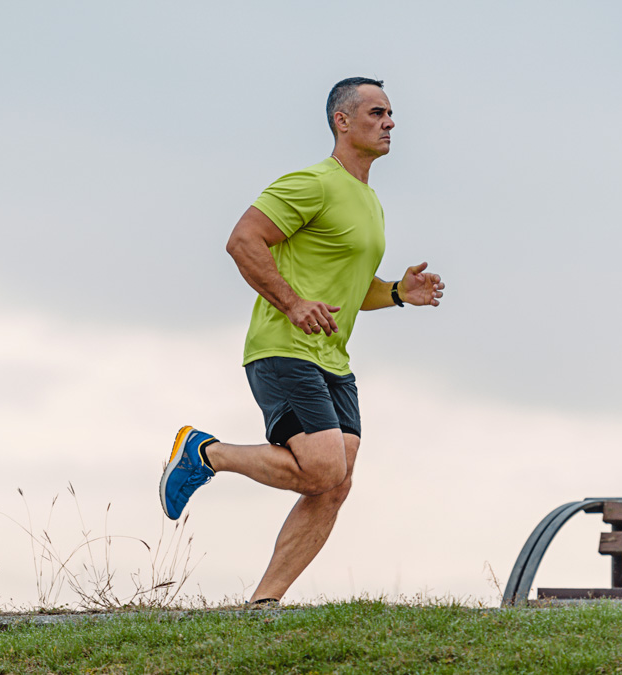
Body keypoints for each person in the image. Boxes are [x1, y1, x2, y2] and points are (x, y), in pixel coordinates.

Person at [159, 76, 445, 605]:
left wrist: (398, 293)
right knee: (322, 468)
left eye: (390, 114)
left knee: (336, 482)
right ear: (343, 120)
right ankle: (206, 453)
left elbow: (346, 293)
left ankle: (263, 604)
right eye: (378, 113)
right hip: (283, 349)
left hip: (332, 358)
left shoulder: (370, 202)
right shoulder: (311, 183)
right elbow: (242, 240)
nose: (390, 123)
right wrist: (292, 304)